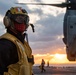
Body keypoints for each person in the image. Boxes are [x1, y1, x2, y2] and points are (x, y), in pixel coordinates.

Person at [0, 7, 34, 75]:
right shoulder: (5, 44)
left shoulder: (23, 44)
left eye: (26, 20)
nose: (23, 23)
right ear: (8, 21)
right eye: (20, 19)